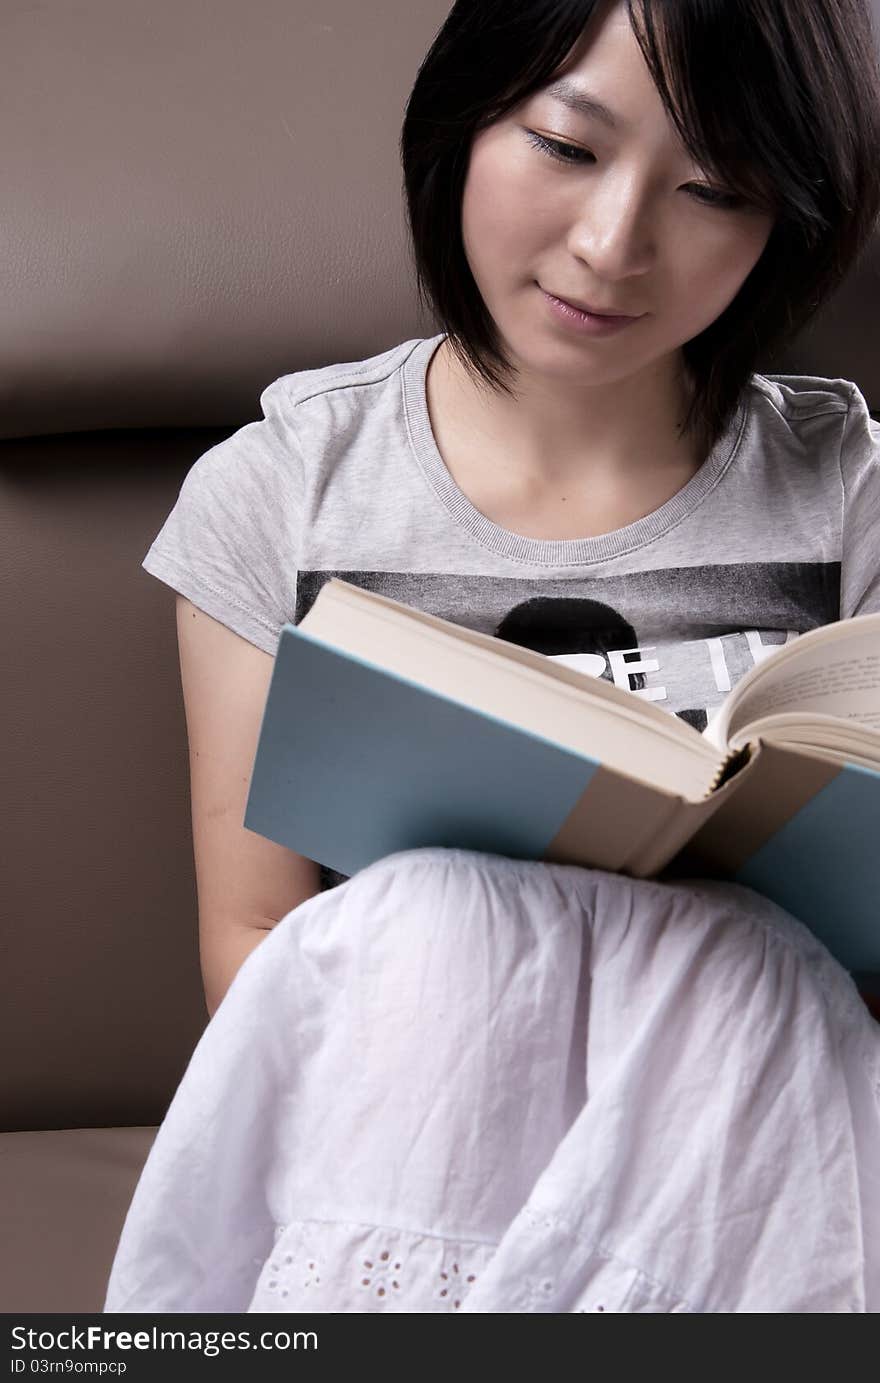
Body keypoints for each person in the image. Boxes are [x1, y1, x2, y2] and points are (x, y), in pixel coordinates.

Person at [104, 0, 880, 1312]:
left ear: (786, 223)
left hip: (741, 1142)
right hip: (409, 1116)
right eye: (567, 148)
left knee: (744, 957)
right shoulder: (281, 490)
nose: (612, 244)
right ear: (463, 120)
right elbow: (256, 937)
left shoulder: (850, 498)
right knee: (434, 920)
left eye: (711, 189)